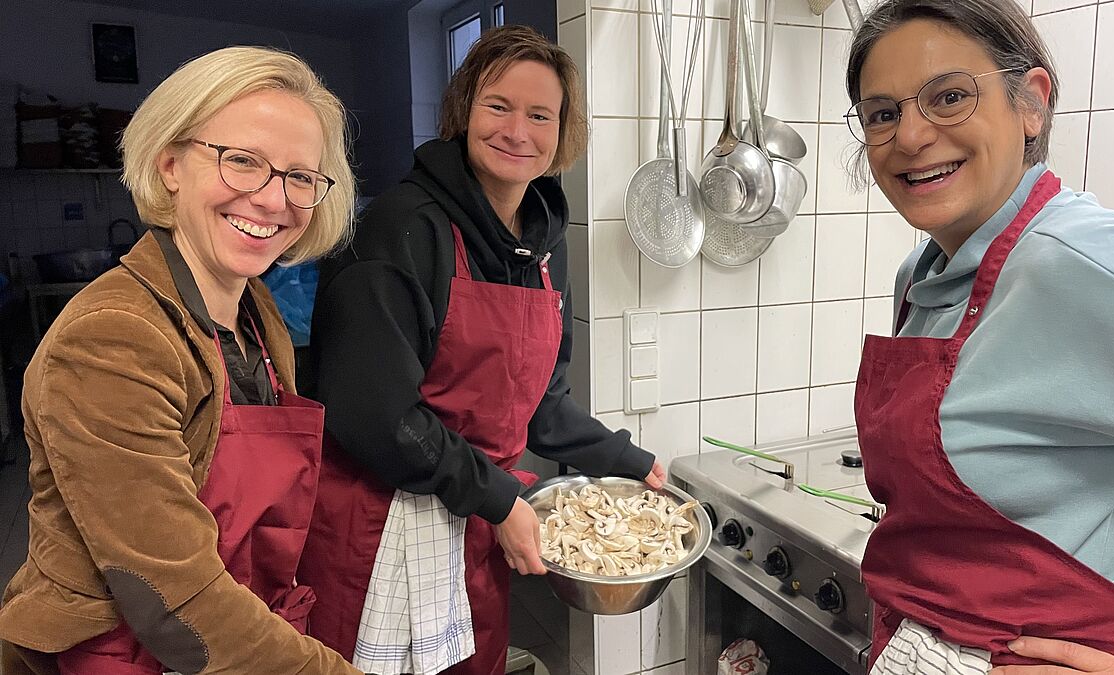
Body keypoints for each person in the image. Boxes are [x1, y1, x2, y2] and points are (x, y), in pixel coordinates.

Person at [843, 1, 1114, 674]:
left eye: (949, 96)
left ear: (1031, 104)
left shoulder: (1087, 263)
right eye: (883, 113)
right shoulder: (923, 274)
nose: (911, 135)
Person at [296, 25, 666, 675]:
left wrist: (629, 459)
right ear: (463, 110)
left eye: (540, 114)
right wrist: (496, 495)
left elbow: (541, 403)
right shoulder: (402, 230)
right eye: (498, 106)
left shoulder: (545, 245)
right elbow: (375, 416)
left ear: (563, 131)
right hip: (378, 526)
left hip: (470, 527)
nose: (517, 130)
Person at [0, 46, 365, 674]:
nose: (274, 200)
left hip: (236, 627)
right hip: (137, 650)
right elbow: (171, 597)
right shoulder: (113, 339)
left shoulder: (254, 308)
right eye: (243, 161)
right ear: (170, 164)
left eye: (299, 176)